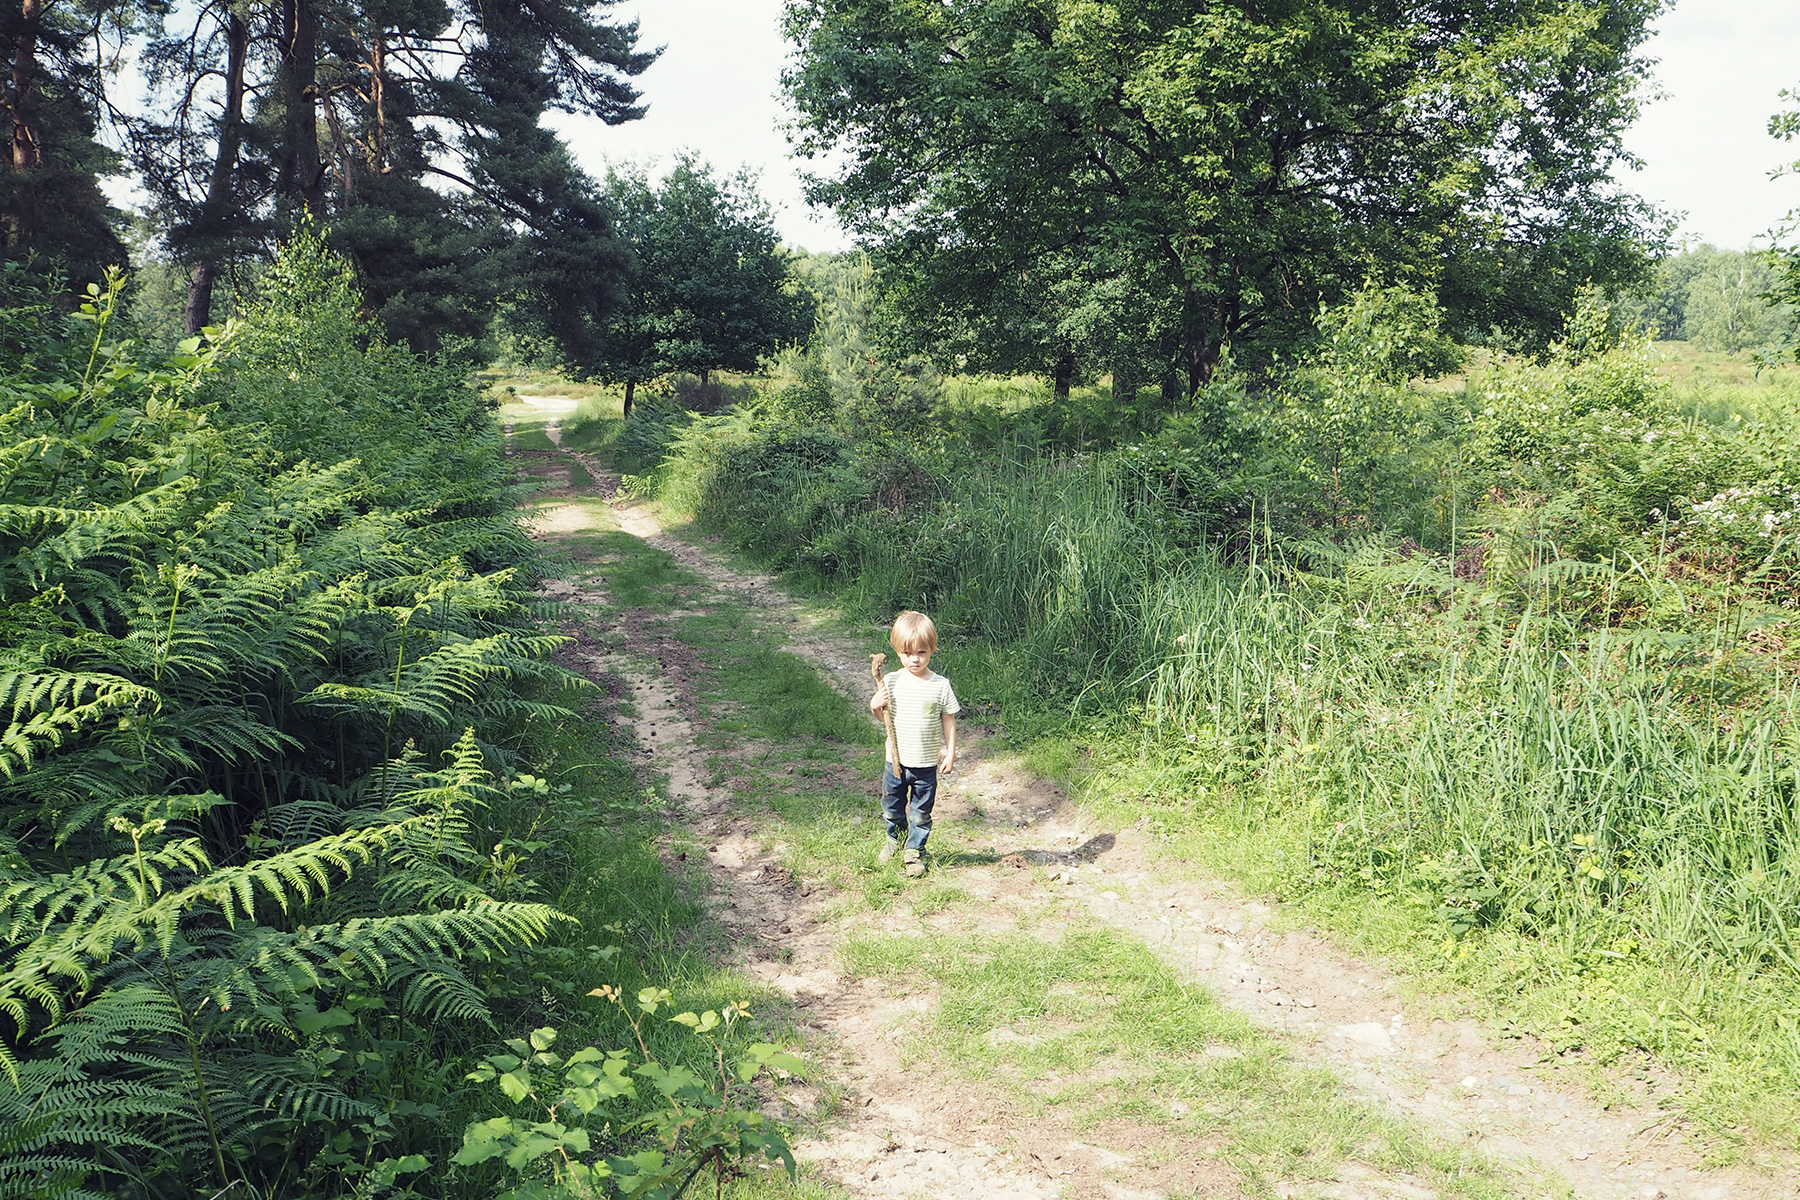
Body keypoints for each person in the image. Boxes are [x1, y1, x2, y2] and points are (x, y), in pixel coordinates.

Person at [868, 610, 959, 877]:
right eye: (907, 653)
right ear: (897, 651)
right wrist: (874, 706)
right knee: (892, 807)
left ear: (932, 649)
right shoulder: (892, 681)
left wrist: (950, 753)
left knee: (920, 812)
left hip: (925, 764)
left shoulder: (940, 685)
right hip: (894, 761)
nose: (915, 659)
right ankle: (894, 839)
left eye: (921, 652)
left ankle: (915, 851)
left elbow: (949, 721)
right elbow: (883, 717)